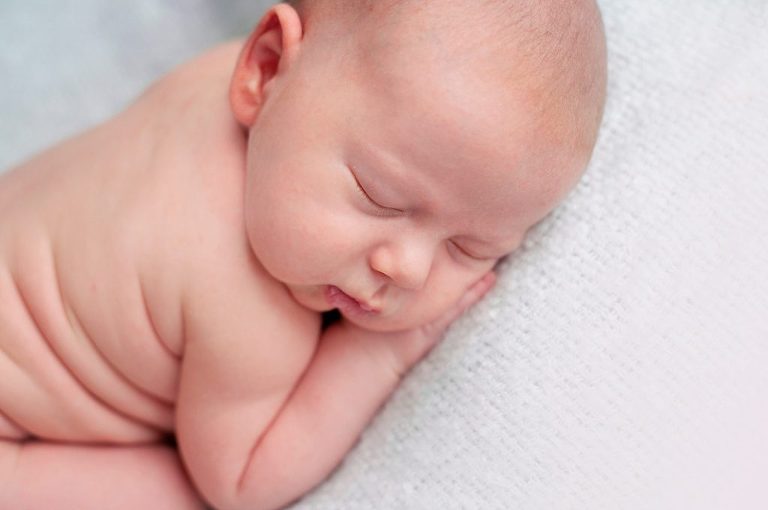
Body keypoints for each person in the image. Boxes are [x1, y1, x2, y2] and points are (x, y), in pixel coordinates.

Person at [0, 0, 607, 508]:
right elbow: (240, 482)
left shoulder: (235, 81)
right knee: (179, 495)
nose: (409, 269)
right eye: (380, 196)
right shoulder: (250, 313)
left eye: (471, 248)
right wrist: (379, 355)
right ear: (264, 70)